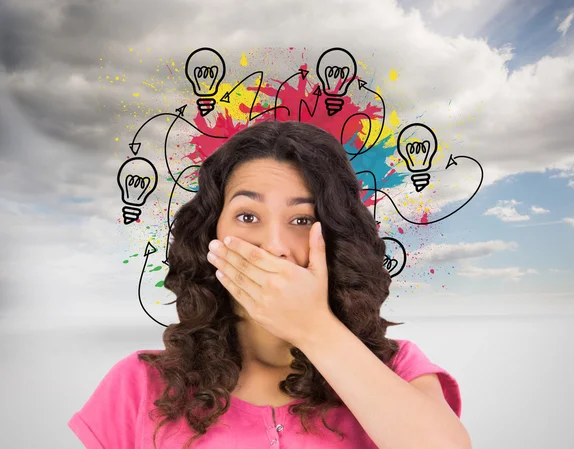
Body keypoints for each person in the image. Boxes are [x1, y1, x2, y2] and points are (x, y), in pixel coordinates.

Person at [68, 120, 470, 449]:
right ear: (211, 232)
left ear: (335, 238)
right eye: (247, 216)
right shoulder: (139, 384)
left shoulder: (398, 370)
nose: (274, 247)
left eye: (301, 220)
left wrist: (314, 329)